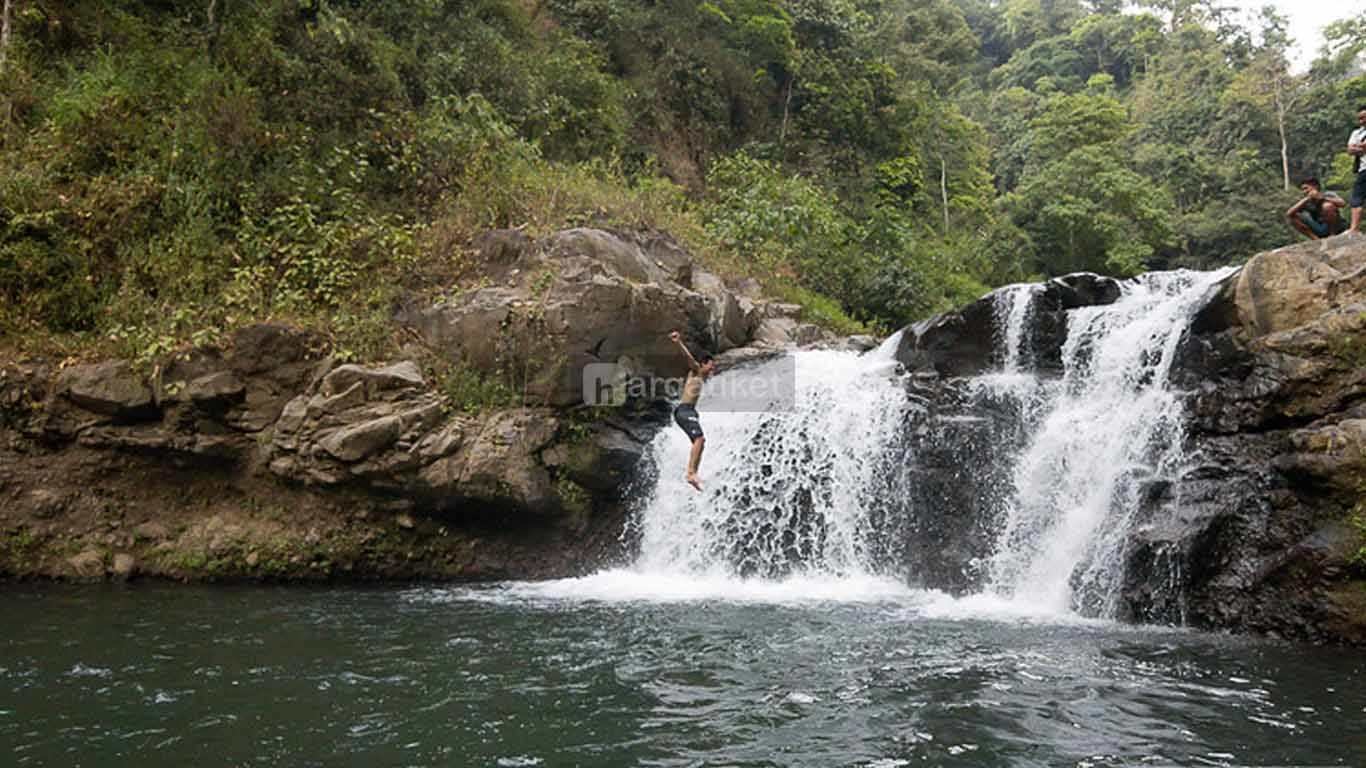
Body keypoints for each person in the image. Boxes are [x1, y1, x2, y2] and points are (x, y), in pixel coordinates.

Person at [669, 330, 715, 491]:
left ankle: (693, 473)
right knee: (700, 440)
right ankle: (690, 473)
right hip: (684, 411)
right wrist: (678, 342)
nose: (712, 368)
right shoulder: (696, 371)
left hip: (690, 412)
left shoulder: (702, 378)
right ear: (703, 364)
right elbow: (688, 358)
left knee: (700, 443)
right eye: (710, 365)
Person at [1348, 105, 1366, 234]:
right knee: (1357, 197)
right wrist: (1361, 147)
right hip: (1363, 169)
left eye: (1364, 117)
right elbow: (1350, 150)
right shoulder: (1356, 133)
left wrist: (1359, 147)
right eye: (1360, 118)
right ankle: (1354, 229)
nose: (1362, 121)